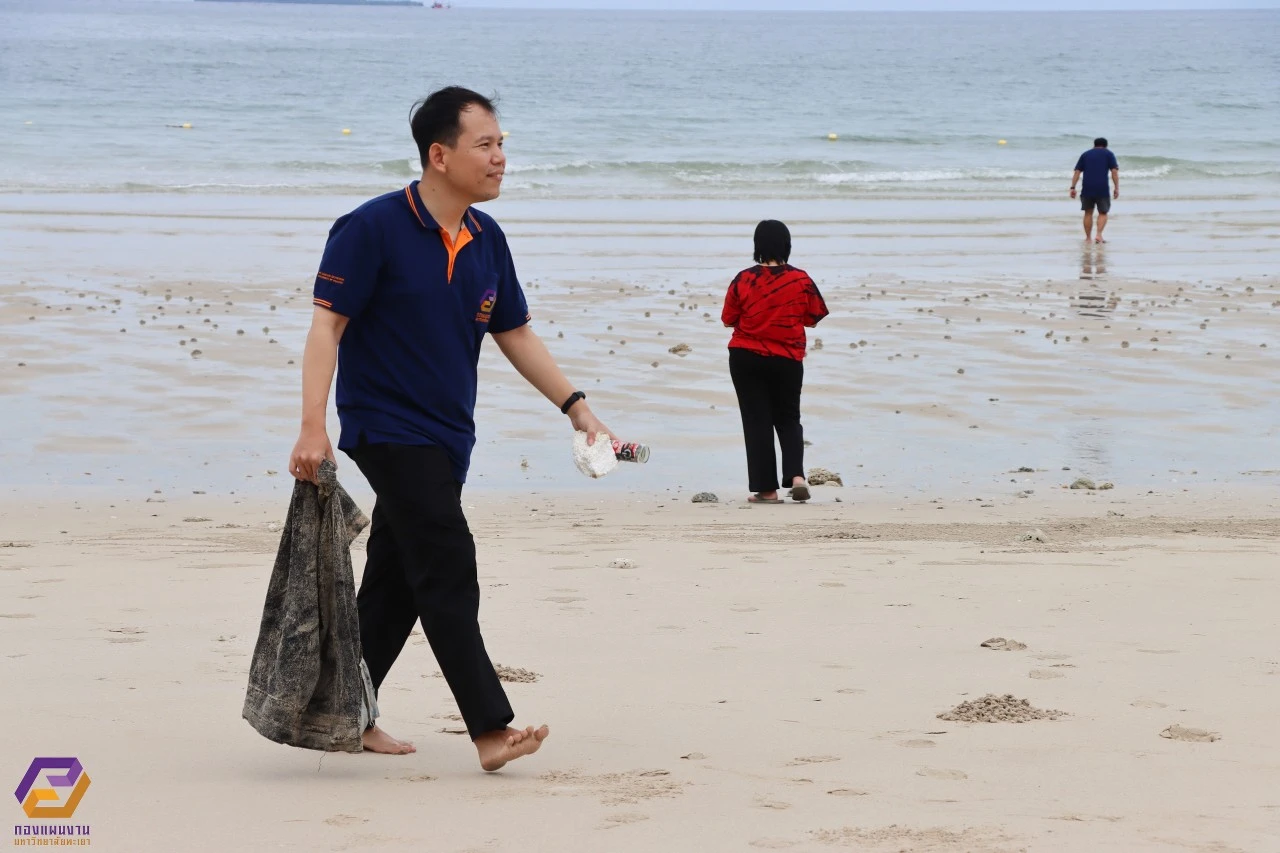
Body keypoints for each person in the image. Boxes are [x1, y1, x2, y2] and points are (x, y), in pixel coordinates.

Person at [288, 86, 613, 771]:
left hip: (447, 435)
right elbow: (328, 326)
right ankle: (491, 728)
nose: (500, 159)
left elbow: (514, 331)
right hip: (386, 427)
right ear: (439, 156)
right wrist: (312, 427)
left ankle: (342, 708)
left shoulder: (487, 239)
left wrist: (576, 406)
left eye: (502, 146)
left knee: (398, 577)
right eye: (485, 145)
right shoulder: (370, 228)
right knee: (446, 562)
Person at [721, 220, 829, 504]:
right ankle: (796, 476)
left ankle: (767, 490)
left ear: (757, 246)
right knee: (789, 417)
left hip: (745, 356)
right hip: (787, 358)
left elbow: (727, 319)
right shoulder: (801, 279)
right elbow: (814, 317)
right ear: (787, 246)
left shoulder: (743, 279)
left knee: (757, 421)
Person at [1070, 138, 1120, 243]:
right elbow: (1114, 172)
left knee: (1088, 213)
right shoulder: (1109, 154)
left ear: (1094, 145)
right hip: (1102, 188)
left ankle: (1088, 238)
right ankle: (1098, 235)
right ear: (1106, 146)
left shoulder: (1085, 154)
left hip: (1087, 188)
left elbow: (1077, 172)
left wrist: (1073, 187)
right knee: (1103, 212)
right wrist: (1116, 188)